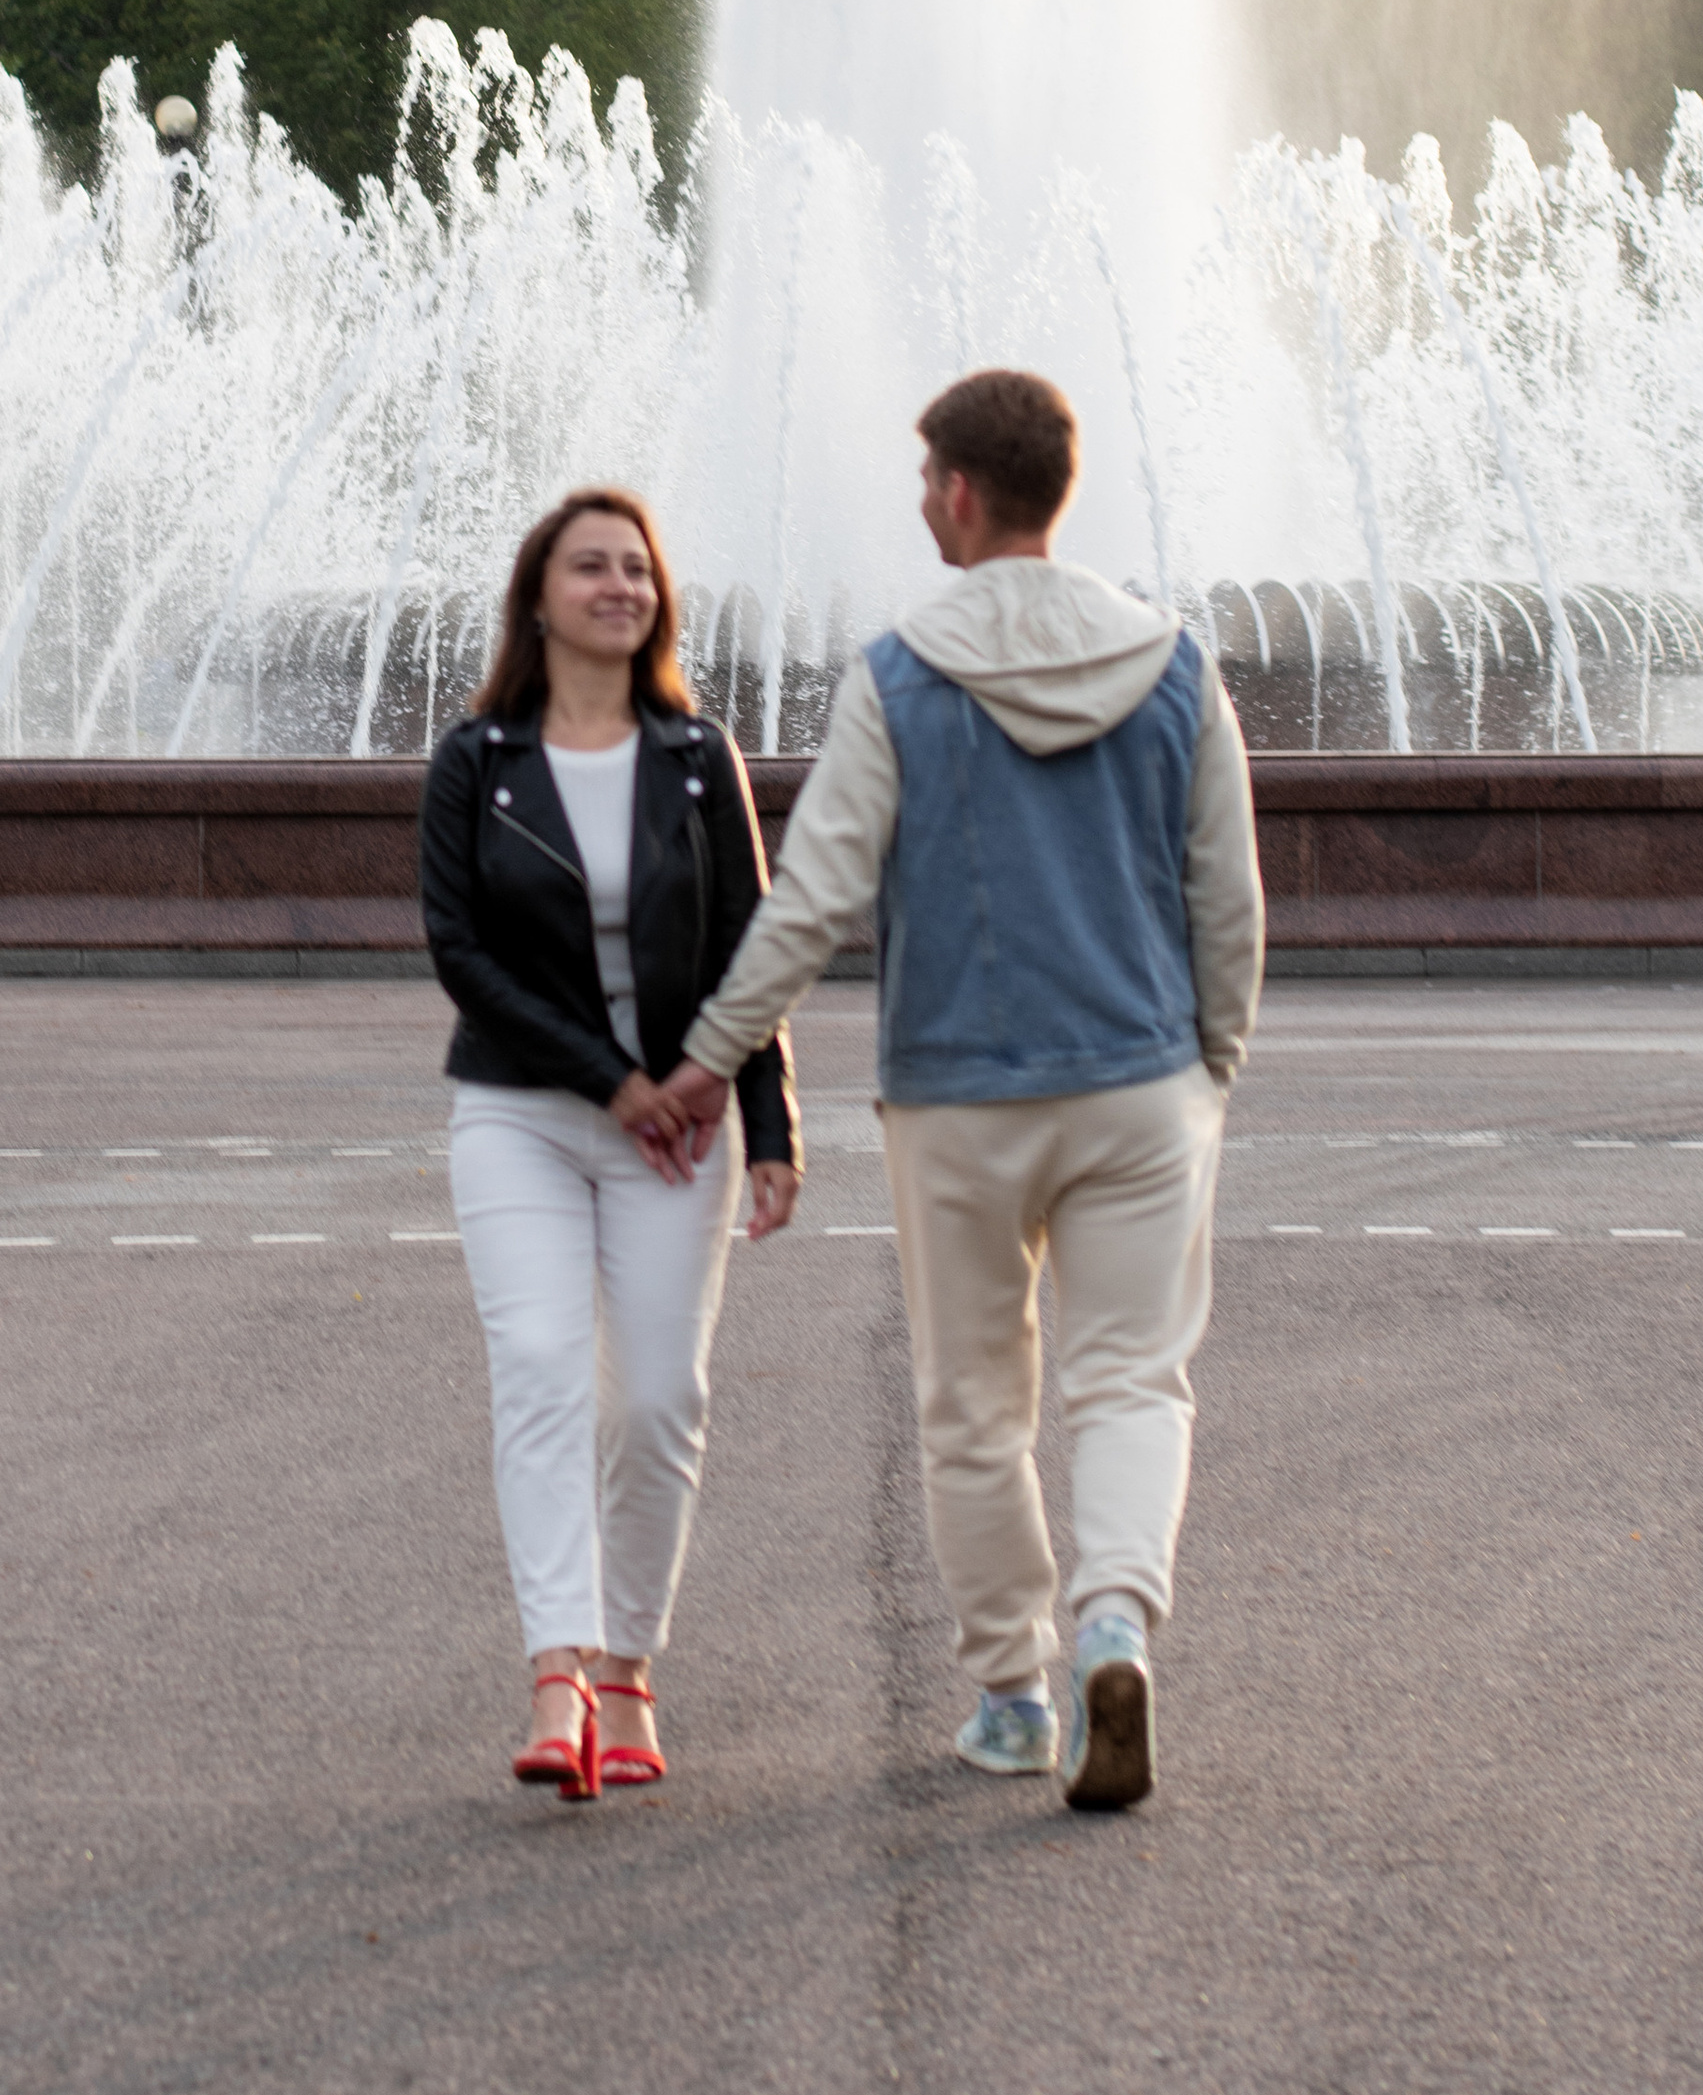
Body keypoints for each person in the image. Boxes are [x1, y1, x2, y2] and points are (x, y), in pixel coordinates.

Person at [647, 370, 1263, 1812]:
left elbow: (810, 906)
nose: (920, 502)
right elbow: (1225, 897)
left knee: (974, 1404)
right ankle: (1118, 1619)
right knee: (1131, 1380)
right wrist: (1210, 1066)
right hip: (1141, 1082)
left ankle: (1016, 1694)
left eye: (927, 480)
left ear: (965, 494)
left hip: (960, 1096)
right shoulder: (1176, 666)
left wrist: (707, 1060)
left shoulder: (901, 677)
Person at [419, 488, 801, 1800]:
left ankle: (630, 1666)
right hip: (520, 1113)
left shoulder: (701, 758)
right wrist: (610, 1078)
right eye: (591, 568)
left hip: (679, 1133)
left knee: (655, 1398)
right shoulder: (477, 760)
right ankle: (558, 1670)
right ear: (540, 597)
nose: (619, 587)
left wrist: (765, 1122)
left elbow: (755, 949)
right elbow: (460, 953)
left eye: (636, 569)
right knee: (539, 1368)